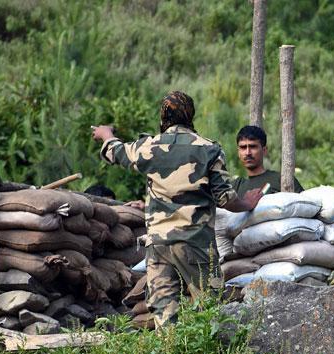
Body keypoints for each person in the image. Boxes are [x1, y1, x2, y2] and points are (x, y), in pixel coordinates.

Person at [92, 91, 262, 328]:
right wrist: (247, 203)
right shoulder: (208, 149)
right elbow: (224, 198)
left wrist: (106, 135)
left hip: (158, 245)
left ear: (163, 116)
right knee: (210, 309)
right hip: (194, 242)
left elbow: (116, 152)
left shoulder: (148, 146)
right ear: (190, 114)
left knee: (164, 311)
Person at [232, 125, 303, 197]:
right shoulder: (235, 186)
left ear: (264, 150)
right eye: (243, 147)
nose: (248, 153)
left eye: (253, 147)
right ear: (238, 152)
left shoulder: (281, 180)